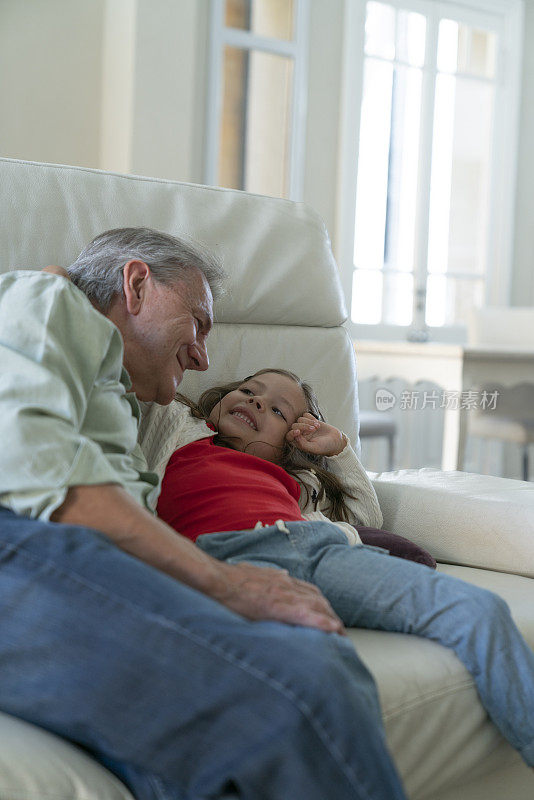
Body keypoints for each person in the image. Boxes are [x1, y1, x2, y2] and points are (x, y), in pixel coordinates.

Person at [0, 227, 410, 800]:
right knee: (308, 688)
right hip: (22, 545)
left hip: (85, 564)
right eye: (197, 322)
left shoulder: (120, 402)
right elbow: (53, 480)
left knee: (316, 654)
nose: (203, 355)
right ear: (137, 284)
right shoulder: (50, 301)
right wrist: (223, 583)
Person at [143, 367, 534, 772]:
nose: (256, 401)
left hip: (318, 550)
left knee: (480, 610)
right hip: (230, 559)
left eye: (278, 411)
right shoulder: (179, 430)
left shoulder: (299, 481)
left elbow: (367, 514)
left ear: (287, 446)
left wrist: (340, 450)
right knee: (325, 674)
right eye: (248, 390)